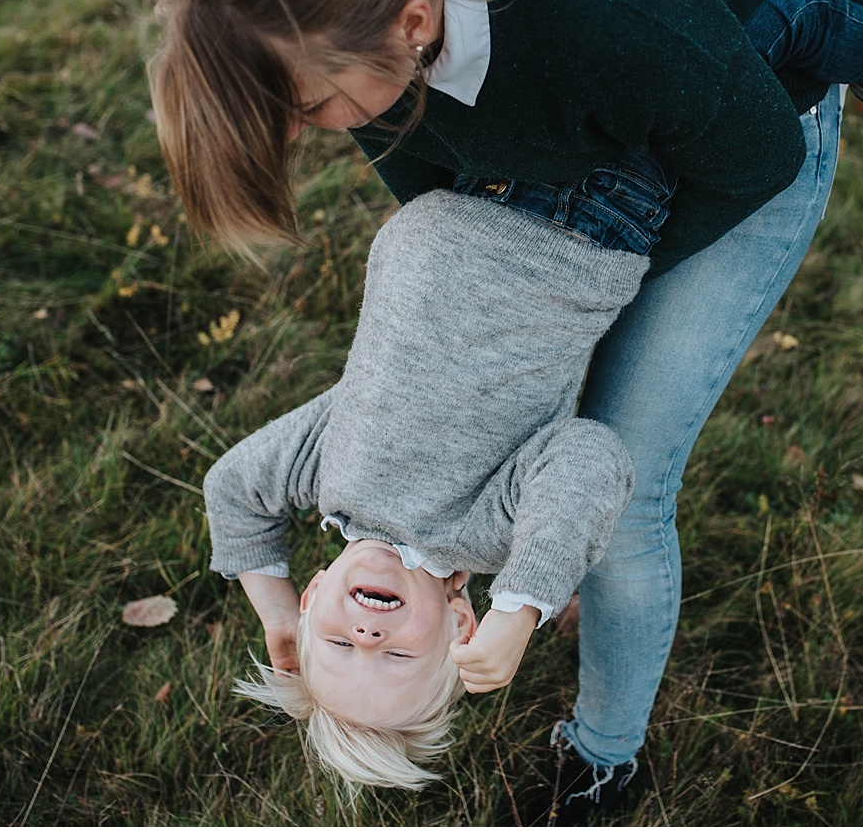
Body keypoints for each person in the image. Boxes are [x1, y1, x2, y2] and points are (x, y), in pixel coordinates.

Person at [150, 0, 863, 819]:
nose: (314, 130)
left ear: (415, 17)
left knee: (628, 490)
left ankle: (601, 756)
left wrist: (601, 280)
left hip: (740, 110)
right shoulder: (373, 45)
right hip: (574, 180)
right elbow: (435, 198)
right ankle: (595, 692)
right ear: (456, 618)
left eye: (310, 103)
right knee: (591, 466)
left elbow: (748, 156)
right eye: (385, 651)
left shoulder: (595, 8)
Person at [206, 188, 646, 793]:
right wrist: (520, 607)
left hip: (464, 183)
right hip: (580, 218)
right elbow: (590, 461)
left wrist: (276, 612)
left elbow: (234, 490)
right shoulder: (482, 534)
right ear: (460, 626)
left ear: (315, 592)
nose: (367, 637)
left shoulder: (330, 480)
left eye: (338, 642)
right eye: (396, 658)